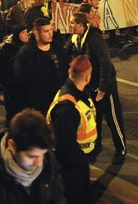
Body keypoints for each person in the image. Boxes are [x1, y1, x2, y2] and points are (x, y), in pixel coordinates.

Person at [0, 109, 66, 204]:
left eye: (42, 154)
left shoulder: (48, 163)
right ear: (12, 146)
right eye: (31, 156)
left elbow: (57, 198)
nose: (39, 163)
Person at [65, 12, 126, 164]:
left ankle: (121, 149)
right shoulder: (76, 38)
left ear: (81, 25)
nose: (70, 25)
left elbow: (105, 63)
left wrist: (103, 88)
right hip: (90, 86)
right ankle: (95, 147)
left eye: (72, 23)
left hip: (105, 86)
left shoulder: (94, 39)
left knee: (113, 118)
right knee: (95, 117)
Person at [46, 55, 96, 204]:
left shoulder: (77, 94)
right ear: (87, 77)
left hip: (77, 163)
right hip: (71, 168)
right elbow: (64, 145)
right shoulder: (67, 107)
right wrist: (79, 160)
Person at [13, 17, 69, 115]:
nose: (50, 34)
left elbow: (65, 69)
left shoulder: (57, 48)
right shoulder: (26, 53)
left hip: (59, 99)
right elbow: (23, 81)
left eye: (51, 30)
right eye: (46, 31)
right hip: (38, 104)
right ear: (36, 33)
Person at [0, 24, 29, 122]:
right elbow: (1, 66)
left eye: (26, 32)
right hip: (11, 85)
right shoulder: (8, 48)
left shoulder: (27, 47)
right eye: (23, 33)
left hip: (23, 85)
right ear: (17, 35)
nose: (26, 35)